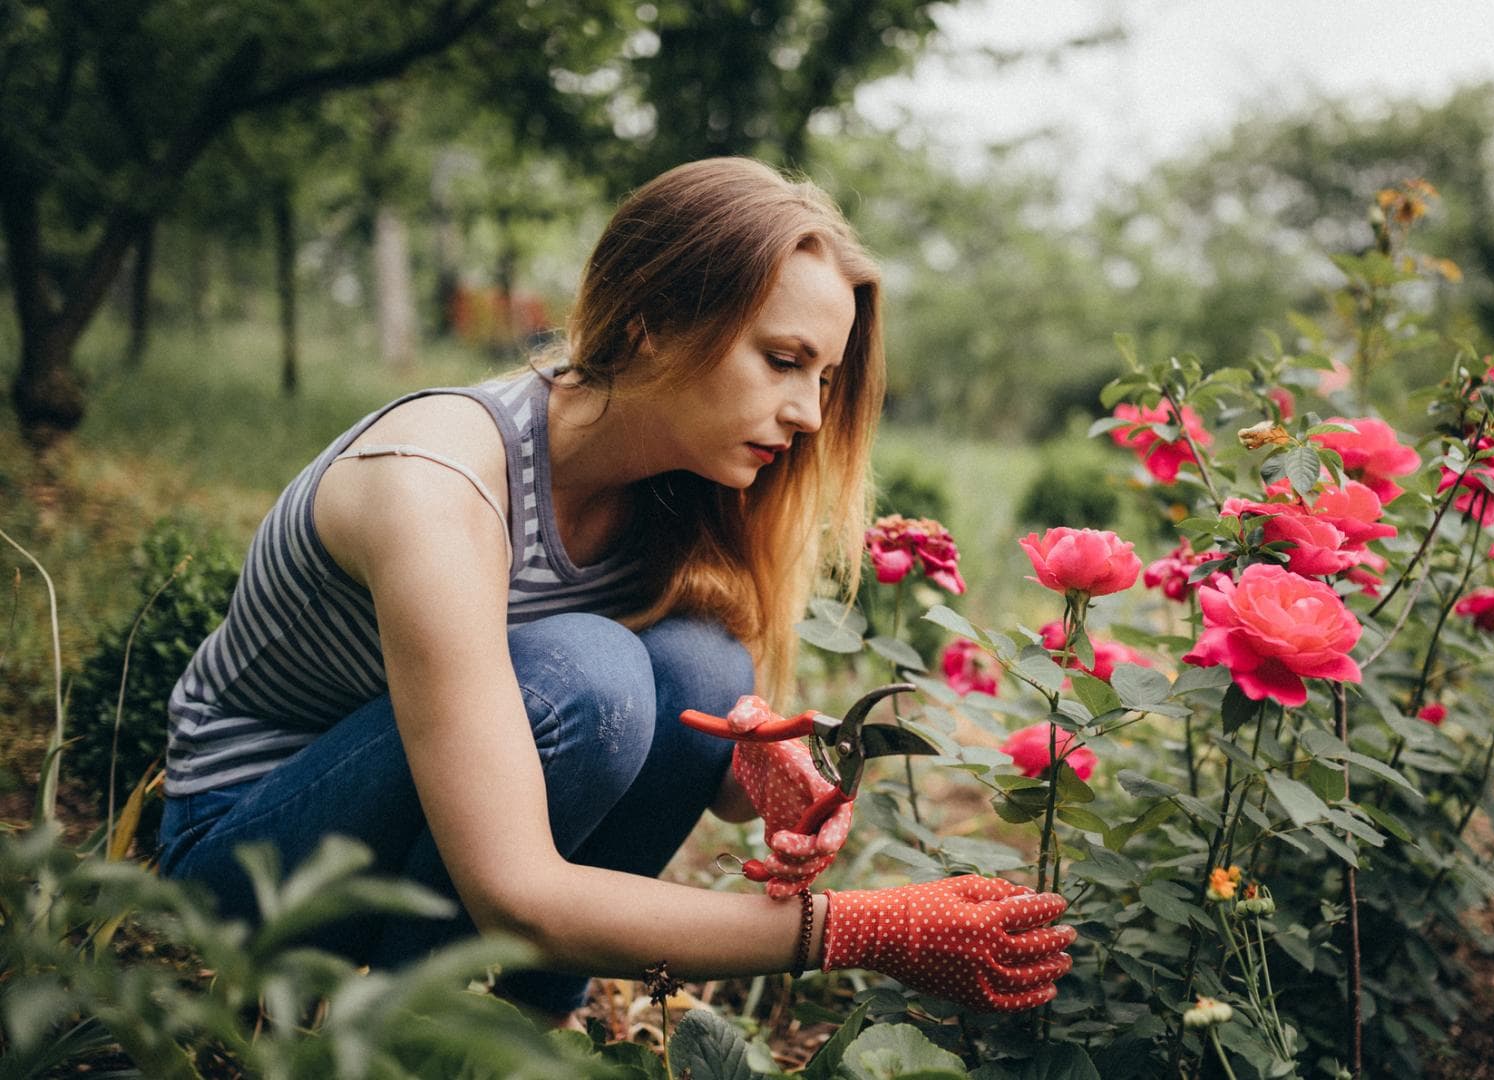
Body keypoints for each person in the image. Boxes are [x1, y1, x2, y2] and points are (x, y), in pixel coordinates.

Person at [155, 157, 1076, 1020]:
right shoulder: (438, 483)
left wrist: (764, 769)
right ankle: (401, 1051)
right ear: (651, 325)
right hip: (250, 854)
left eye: (826, 378)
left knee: (703, 663)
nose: (807, 415)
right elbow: (516, 891)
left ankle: (512, 1044)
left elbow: (704, 782)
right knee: (585, 676)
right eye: (783, 360)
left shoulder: (671, 499)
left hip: (419, 827)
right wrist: (867, 928)